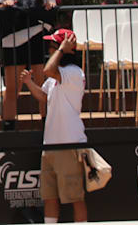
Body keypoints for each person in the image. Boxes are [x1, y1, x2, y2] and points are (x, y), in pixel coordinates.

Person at [20, 29, 88, 223]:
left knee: (75, 197)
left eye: (53, 47)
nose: (50, 50)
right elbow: (43, 97)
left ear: (64, 49)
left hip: (69, 144)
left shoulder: (74, 73)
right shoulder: (55, 78)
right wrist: (28, 82)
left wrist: (61, 49)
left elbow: (48, 69)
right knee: (49, 196)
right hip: (50, 145)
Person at [0, 0, 58, 131]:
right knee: (13, 88)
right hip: (13, 38)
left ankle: (47, 126)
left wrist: (49, 7)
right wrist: (5, 4)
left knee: (42, 83)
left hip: (37, 36)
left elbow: (50, 4)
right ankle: (9, 128)